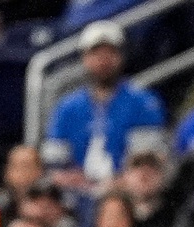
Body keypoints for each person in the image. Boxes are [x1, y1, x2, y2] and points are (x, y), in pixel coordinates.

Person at [43, 21, 167, 190]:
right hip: (75, 194)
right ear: (84, 58)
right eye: (96, 54)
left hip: (127, 193)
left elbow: (146, 162)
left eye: (110, 53)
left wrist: (115, 184)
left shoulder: (143, 102)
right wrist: (73, 179)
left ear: (121, 56)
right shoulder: (68, 107)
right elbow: (54, 161)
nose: (103, 61)